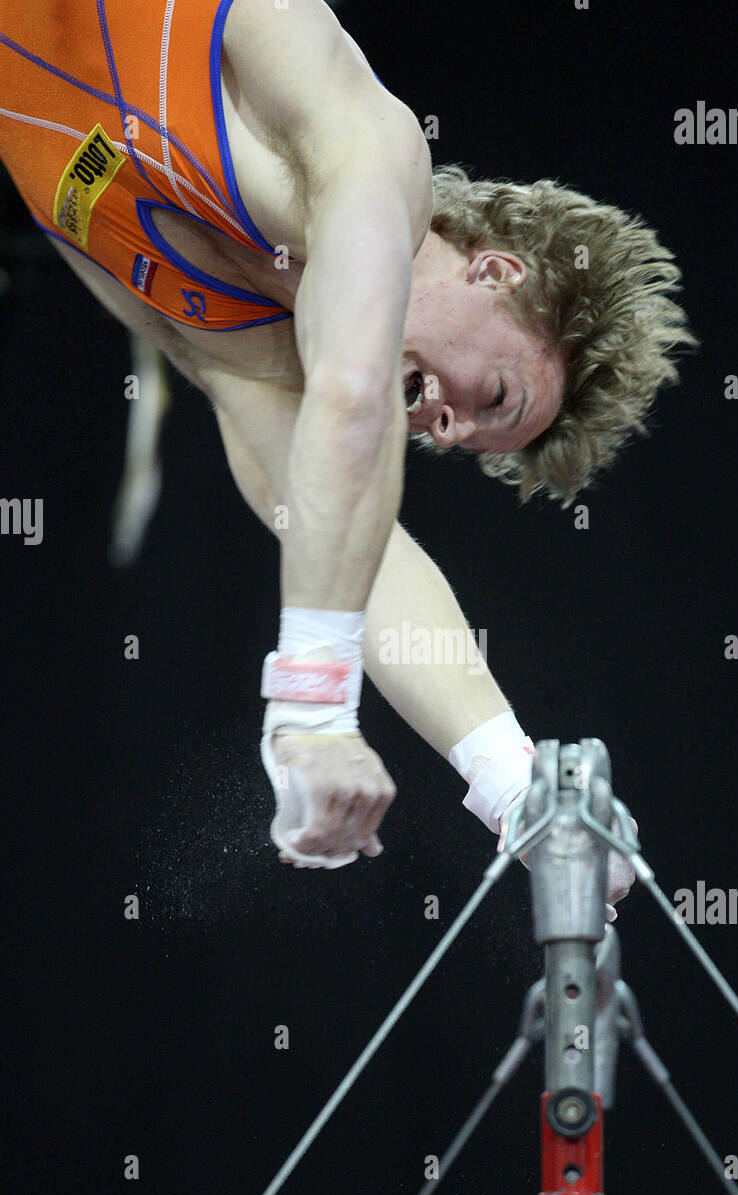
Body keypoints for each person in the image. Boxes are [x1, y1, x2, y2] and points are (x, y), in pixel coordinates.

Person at [0, 0, 693, 897]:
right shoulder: (367, 151)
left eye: (476, 439)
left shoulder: (241, 351)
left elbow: (361, 555)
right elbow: (352, 393)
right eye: (495, 396)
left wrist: (510, 778)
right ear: (496, 270)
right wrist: (313, 708)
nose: (452, 430)